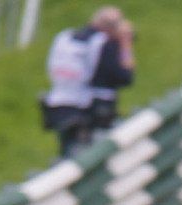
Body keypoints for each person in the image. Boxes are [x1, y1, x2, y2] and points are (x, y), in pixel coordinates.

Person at [40, 6, 136, 159]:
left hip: (59, 106)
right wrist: (125, 44)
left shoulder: (64, 37)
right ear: (111, 27)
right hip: (90, 111)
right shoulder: (103, 43)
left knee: (68, 155)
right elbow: (125, 77)